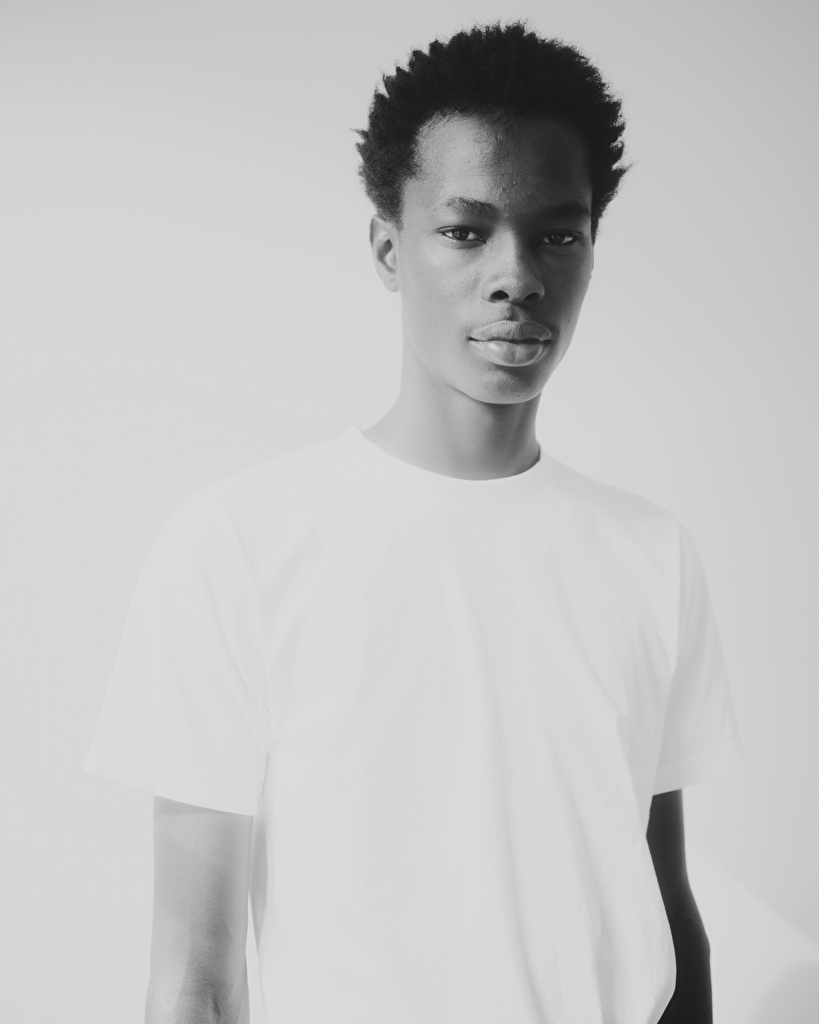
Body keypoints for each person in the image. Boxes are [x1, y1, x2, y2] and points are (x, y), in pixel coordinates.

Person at [83, 19, 745, 1024]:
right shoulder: (238, 543)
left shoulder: (650, 552)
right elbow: (194, 974)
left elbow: (664, 913)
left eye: (557, 233)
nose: (516, 275)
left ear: (590, 251)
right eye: (466, 230)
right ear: (389, 247)